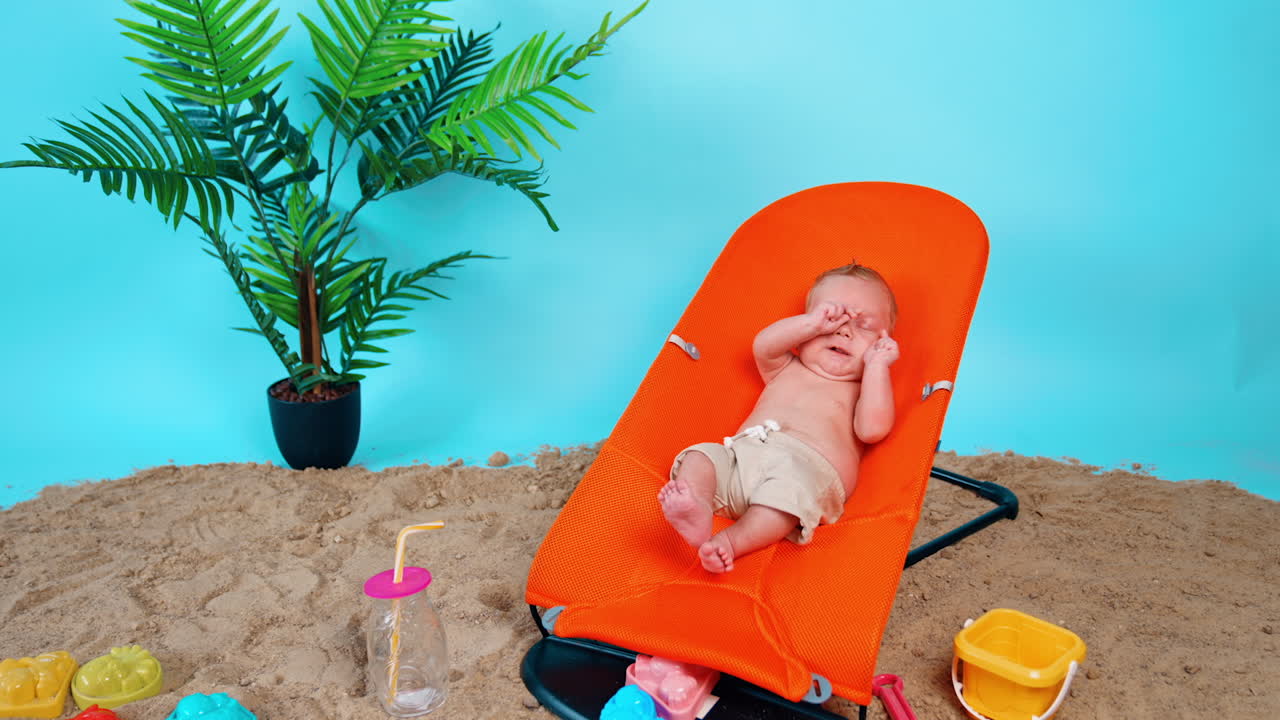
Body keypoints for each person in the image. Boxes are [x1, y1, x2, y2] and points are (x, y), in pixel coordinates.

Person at [658, 262, 900, 572]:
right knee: (701, 456)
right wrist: (812, 323)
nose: (843, 329)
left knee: (786, 498)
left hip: (805, 473)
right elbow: (763, 345)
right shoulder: (785, 367)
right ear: (803, 333)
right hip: (739, 460)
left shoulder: (861, 389)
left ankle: (730, 542)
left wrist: (878, 367)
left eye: (864, 325)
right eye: (831, 317)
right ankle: (699, 508)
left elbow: (873, 429)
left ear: (883, 343)